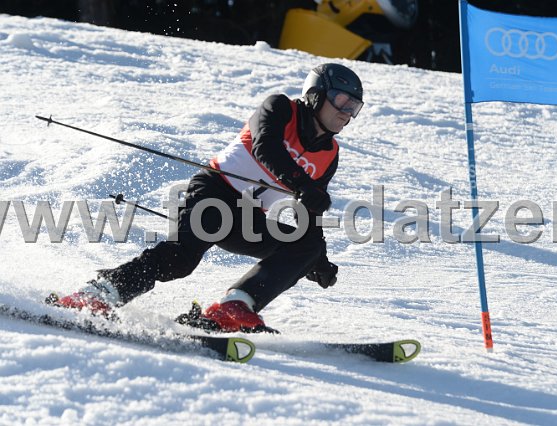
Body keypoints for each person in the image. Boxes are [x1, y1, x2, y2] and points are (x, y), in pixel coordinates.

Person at [55, 63, 364, 333]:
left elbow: (308, 210)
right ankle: (98, 294)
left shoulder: (330, 154)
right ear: (316, 94)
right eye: (341, 100)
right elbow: (265, 148)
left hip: (247, 218)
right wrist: (302, 184)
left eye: (354, 107)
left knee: (307, 245)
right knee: (181, 258)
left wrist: (317, 259)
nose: (346, 113)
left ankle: (234, 306)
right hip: (214, 193)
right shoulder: (280, 108)